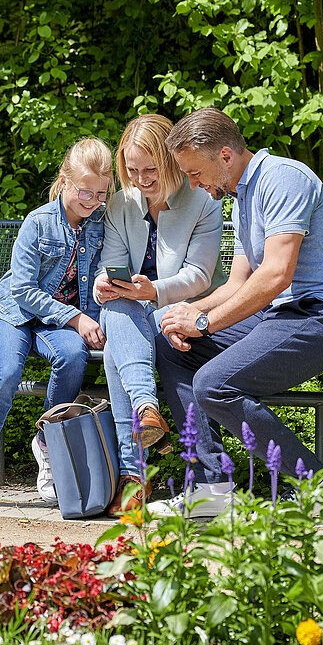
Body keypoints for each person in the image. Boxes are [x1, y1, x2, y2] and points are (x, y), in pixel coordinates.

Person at [148, 107, 323, 518]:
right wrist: (186, 312)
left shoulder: (283, 178)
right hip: (286, 317)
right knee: (173, 347)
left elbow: (276, 275)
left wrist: (203, 323)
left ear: (226, 157)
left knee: (214, 384)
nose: (193, 184)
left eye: (195, 173)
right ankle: (210, 488)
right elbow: (236, 285)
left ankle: (320, 489)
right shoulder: (241, 199)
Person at [0, 137, 113, 512]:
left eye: (101, 193)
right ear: (65, 180)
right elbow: (22, 289)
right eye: (85, 191)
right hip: (11, 314)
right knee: (6, 372)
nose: (92, 201)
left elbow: (101, 273)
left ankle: (48, 446)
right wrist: (75, 317)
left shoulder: (102, 223)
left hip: (55, 323)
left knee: (72, 355)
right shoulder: (38, 223)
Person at [93, 114, 226, 515]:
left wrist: (153, 291)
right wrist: (105, 281)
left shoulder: (203, 199)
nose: (141, 179)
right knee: (118, 312)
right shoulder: (120, 203)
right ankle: (146, 410)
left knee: (120, 337)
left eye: (150, 169)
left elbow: (200, 275)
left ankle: (134, 476)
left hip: (183, 308)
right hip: (130, 307)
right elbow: (112, 263)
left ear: (169, 161)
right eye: (132, 170)